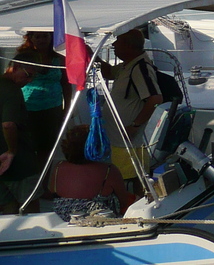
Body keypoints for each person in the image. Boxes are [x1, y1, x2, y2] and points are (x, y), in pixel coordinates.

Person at [98, 30, 162, 180]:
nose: (113, 44)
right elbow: (108, 73)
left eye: (118, 41)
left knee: (129, 183)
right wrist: (91, 56)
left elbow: (155, 99)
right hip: (119, 143)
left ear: (128, 45)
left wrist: (135, 126)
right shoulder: (129, 65)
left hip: (127, 146)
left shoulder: (140, 68)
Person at [48, 125, 133, 220]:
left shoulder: (58, 167)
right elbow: (123, 202)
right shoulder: (109, 170)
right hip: (97, 222)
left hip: (62, 220)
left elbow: (52, 193)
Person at [17, 31, 70, 172]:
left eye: (45, 36)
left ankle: (43, 178)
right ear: (31, 38)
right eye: (37, 36)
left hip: (53, 109)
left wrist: (68, 107)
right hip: (28, 107)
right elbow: (14, 80)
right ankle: (30, 177)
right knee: (27, 145)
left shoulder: (59, 58)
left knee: (48, 147)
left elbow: (66, 84)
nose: (41, 40)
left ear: (51, 37)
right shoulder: (23, 57)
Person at [0, 53, 41, 213]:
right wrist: (12, 151)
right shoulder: (12, 91)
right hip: (19, 164)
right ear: (15, 67)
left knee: (7, 209)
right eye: (28, 75)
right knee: (31, 209)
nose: (29, 81)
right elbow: (8, 124)